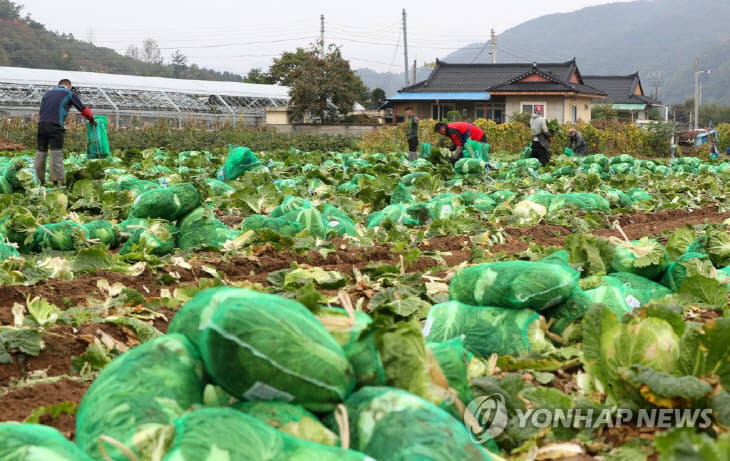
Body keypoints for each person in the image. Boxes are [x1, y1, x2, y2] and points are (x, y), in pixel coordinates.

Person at [35, 79, 95, 186]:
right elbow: (83, 109)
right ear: (68, 86)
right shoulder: (69, 93)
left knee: (41, 151)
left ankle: (38, 179)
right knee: (56, 152)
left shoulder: (48, 94)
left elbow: (41, 112)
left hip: (42, 125)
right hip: (55, 125)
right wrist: (91, 119)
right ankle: (56, 181)